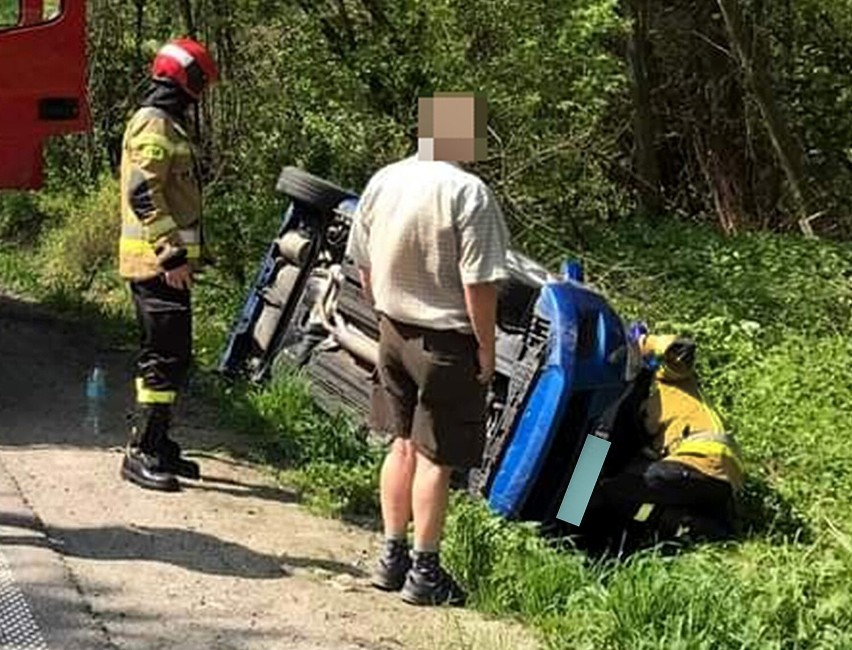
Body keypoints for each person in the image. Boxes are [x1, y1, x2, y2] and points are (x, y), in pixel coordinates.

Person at [346, 92, 509, 606]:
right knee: (437, 459)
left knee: (400, 445)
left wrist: (383, 310)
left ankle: (390, 557)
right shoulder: (468, 193)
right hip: (446, 343)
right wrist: (487, 347)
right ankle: (425, 571)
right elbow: (479, 284)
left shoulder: (384, 181)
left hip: (392, 333)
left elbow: (364, 263)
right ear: (460, 135)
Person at [118, 38, 219, 492]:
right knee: (162, 359)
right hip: (155, 266)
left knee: (174, 357)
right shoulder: (155, 125)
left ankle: (159, 443)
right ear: (185, 78)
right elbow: (144, 193)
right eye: (200, 81)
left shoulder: (168, 124)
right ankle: (140, 450)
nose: (201, 91)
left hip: (165, 268)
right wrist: (171, 254)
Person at [594, 331, 745, 543]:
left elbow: (680, 349)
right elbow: (614, 443)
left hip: (701, 459)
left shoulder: (673, 376)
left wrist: (644, 343)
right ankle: (697, 525)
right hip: (716, 476)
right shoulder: (630, 399)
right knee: (627, 493)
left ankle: (688, 525)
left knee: (615, 491)